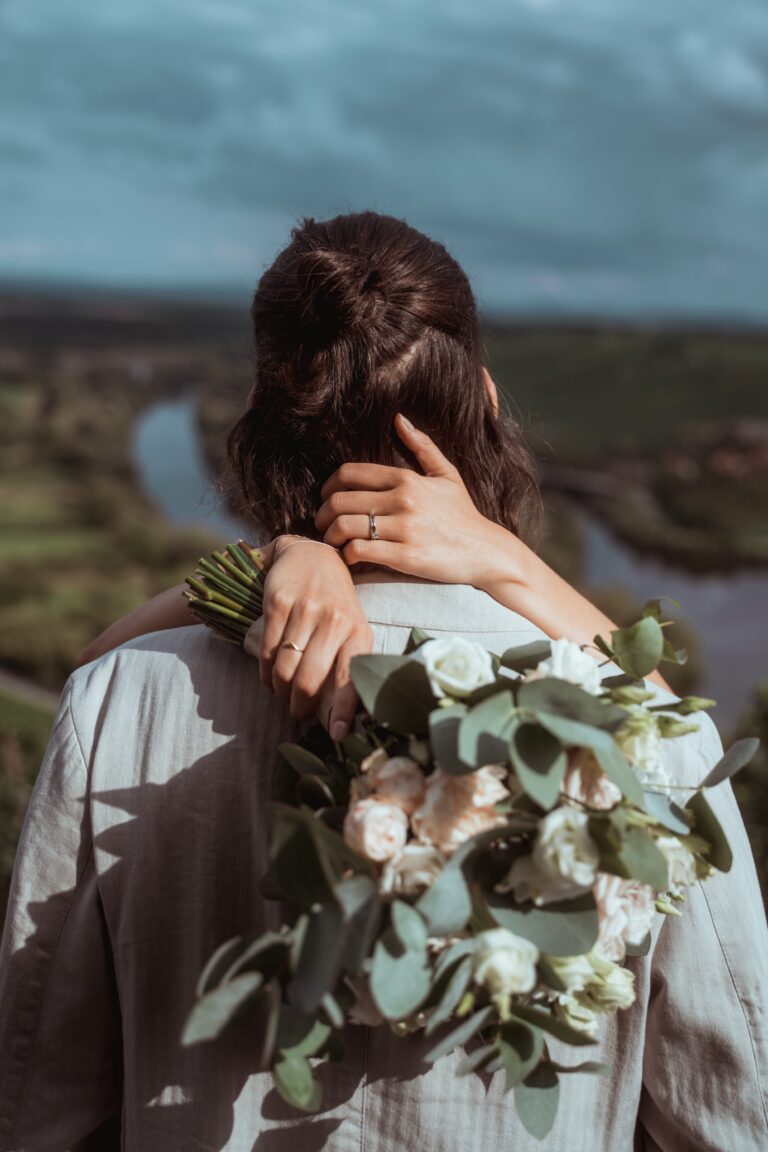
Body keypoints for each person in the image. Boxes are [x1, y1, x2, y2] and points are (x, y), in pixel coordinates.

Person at [0, 212, 765, 1151]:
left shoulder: (116, 702)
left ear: (259, 416)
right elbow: (729, 1116)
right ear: (483, 399)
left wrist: (288, 548)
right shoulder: (648, 742)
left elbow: (34, 1090)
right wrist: (508, 566)